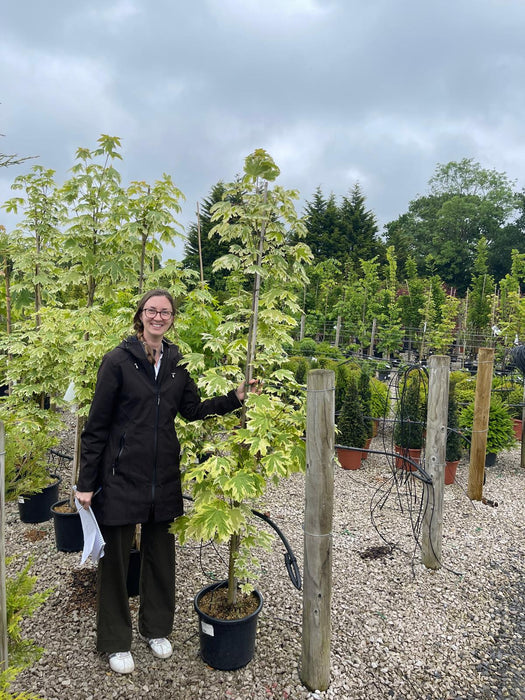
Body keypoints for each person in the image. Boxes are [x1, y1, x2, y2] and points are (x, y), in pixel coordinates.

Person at [76, 288, 257, 674]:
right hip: (121, 476)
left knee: (161, 559)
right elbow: (96, 427)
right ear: (139, 315)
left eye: (166, 312)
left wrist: (234, 398)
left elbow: (191, 411)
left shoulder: (177, 362)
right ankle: (114, 640)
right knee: (117, 561)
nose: (158, 317)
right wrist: (85, 483)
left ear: (172, 318)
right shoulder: (117, 361)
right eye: (151, 311)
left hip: (163, 478)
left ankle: (156, 629)